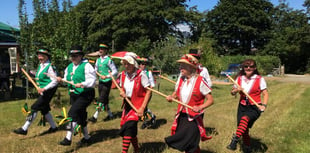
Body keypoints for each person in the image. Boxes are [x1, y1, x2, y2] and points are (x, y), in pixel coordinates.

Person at [165, 54, 214, 153]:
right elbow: (176, 93)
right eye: (180, 66)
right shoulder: (181, 80)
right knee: (190, 144)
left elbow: (210, 100)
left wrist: (200, 107)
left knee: (189, 141)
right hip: (182, 115)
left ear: (191, 67)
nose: (180, 68)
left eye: (183, 66)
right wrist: (171, 97)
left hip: (194, 117)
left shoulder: (200, 81)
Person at [226, 59, 268, 152]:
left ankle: (235, 139)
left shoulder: (259, 79)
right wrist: (236, 90)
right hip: (242, 106)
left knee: (245, 119)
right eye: (246, 66)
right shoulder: (239, 78)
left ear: (255, 68)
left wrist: (264, 105)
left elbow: (265, 94)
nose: (248, 68)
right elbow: (232, 93)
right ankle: (247, 147)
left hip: (255, 107)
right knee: (243, 128)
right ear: (243, 68)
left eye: (251, 66)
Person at [13, 48, 58, 135]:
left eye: (41, 55)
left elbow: (55, 81)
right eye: (38, 55)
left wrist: (44, 89)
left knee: (34, 107)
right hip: (42, 90)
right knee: (44, 109)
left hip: (48, 90)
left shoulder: (50, 66)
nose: (39, 57)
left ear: (46, 56)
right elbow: (39, 76)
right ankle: (54, 127)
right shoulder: (41, 65)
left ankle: (24, 129)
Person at [58, 46, 96, 146]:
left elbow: (92, 81)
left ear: (80, 56)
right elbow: (66, 78)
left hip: (86, 94)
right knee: (81, 116)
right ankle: (87, 138)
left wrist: (83, 83)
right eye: (72, 56)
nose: (73, 58)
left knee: (72, 113)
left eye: (75, 56)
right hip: (74, 94)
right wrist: (62, 80)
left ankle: (68, 138)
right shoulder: (69, 66)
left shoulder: (86, 65)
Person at [119, 52, 152, 153]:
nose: (126, 66)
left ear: (134, 63)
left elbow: (149, 91)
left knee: (129, 127)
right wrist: (122, 92)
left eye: (128, 63)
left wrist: (142, 108)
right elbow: (121, 88)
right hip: (128, 104)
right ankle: (137, 150)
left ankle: (124, 152)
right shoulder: (123, 75)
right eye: (124, 63)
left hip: (138, 105)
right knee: (131, 129)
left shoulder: (141, 75)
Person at [88, 43, 118, 123]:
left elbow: (115, 71)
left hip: (107, 82)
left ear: (105, 51)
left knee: (101, 99)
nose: (100, 50)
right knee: (104, 100)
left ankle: (95, 116)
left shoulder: (109, 60)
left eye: (102, 49)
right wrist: (98, 74)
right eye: (100, 49)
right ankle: (111, 115)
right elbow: (95, 70)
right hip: (101, 82)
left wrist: (107, 76)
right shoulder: (98, 60)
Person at [138, 57, 156, 129]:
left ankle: (147, 120)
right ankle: (150, 117)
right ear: (139, 65)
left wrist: (149, 89)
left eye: (145, 64)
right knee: (141, 107)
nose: (143, 65)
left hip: (146, 93)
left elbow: (152, 84)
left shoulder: (149, 73)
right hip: (139, 93)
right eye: (142, 64)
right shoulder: (137, 72)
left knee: (144, 107)